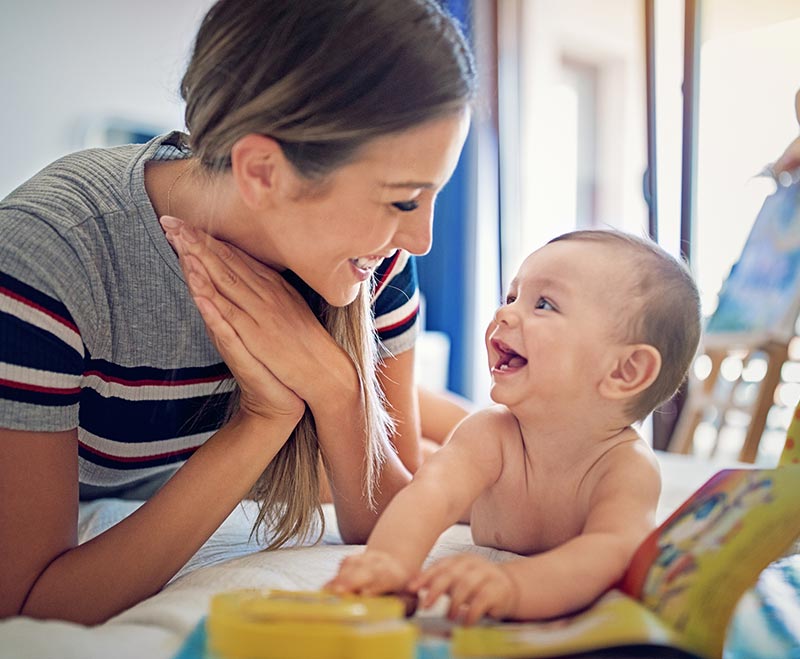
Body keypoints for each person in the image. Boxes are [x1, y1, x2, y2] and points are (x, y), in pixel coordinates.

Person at [0, 0, 475, 624]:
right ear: (261, 170)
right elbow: (29, 605)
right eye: (404, 199)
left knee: (465, 451)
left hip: (177, 462)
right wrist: (264, 416)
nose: (421, 240)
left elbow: (394, 521)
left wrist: (335, 390)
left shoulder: (371, 254)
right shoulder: (50, 260)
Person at [326, 229, 703, 624]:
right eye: (511, 297)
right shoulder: (489, 434)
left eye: (544, 304)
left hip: (503, 514)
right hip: (474, 486)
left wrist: (515, 586)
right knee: (425, 462)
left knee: (422, 445)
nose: (504, 314)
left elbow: (613, 549)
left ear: (625, 371)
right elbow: (430, 496)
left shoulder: (626, 468)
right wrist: (389, 563)